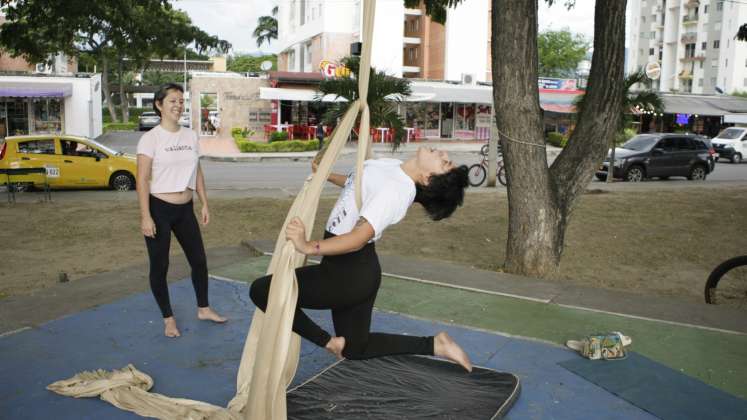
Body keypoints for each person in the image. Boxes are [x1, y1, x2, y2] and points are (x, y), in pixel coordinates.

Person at [249, 148, 473, 371]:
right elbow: (357, 183)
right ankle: (436, 344)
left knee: (262, 291)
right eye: (447, 159)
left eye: (445, 163)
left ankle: (327, 341)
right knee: (355, 349)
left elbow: (358, 238)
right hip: (359, 270)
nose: (443, 155)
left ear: (427, 178)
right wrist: (325, 174)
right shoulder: (396, 167)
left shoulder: (396, 191)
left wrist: (309, 246)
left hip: (346, 275)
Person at [136, 83, 226, 338]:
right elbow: (142, 180)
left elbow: (195, 170)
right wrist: (146, 216)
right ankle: (168, 319)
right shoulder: (150, 139)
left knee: (199, 260)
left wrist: (204, 202)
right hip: (159, 209)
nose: (178, 105)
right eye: (172, 101)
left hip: (185, 208)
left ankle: (204, 308)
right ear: (159, 105)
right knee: (160, 265)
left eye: (180, 100)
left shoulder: (190, 135)